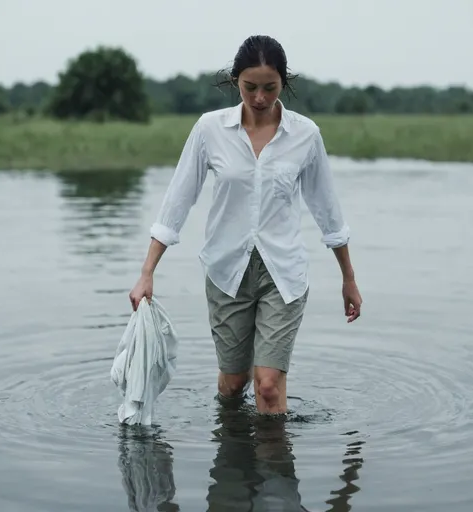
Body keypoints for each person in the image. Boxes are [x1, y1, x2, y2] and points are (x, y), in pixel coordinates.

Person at [129, 35, 362, 415]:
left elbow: (328, 212)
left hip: (282, 274)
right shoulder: (209, 130)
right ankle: (234, 452)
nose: (259, 98)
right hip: (226, 271)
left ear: (283, 84)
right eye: (249, 87)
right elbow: (177, 201)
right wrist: (147, 272)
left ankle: (274, 466)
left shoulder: (305, 135)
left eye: (269, 88)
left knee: (268, 386)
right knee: (233, 384)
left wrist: (348, 279)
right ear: (234, 81)